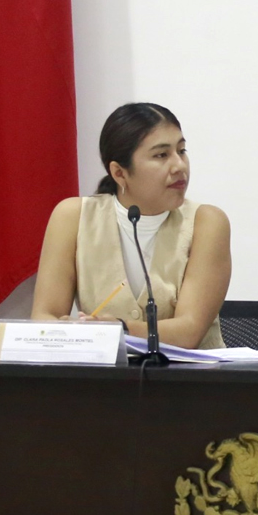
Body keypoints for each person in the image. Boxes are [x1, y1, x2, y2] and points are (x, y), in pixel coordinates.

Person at [31, 103, 228, 348]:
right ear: (119, 173)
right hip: (103, 371)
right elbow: (44, 316)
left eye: (181, 150)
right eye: (161, 155)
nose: (179, 166)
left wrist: (118, 330)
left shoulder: (207, 222)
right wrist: (72, 330)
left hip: (191, 372)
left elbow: (189, 331)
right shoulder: (72, 217)